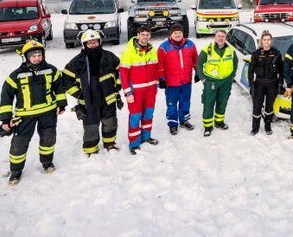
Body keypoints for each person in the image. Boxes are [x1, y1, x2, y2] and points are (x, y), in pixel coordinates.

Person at [0, 40, 65, 185]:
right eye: (33, 55)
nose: (36, 58)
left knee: (48, 138)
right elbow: (6, 97)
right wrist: (5, 119)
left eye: (39, 54)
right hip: (24, 116)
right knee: (19, 143)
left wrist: (61, 104)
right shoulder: (15, 75)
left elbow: (60, 88)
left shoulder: (52, 70)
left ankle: (47, 163)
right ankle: (16, 171)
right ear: (26, 57)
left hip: (48, 112)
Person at [62, 30, 122, 155]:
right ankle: (91, 150)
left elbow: (120, 71)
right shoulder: (77, 61)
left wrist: (117, 85)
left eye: (95, 42)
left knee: (110, 122)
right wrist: (79, 94)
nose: (93, 45)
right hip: (89, 100)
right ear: (85, 44)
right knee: (91, 125)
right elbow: (66, 78)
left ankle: (110, 143)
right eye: (90, 43)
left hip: (108, 97)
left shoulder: (109, 57)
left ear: (100, 42)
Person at [120, 25, 160, 154]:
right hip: (135, 92)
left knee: (148, 115)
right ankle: (134, 143)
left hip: (150, 91)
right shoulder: (129, 52)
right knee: (135, 117)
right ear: (137, 35)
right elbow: (123, 73)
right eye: (142, 34)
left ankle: (146, 137)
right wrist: (127, 92)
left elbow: (155, 69)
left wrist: (156, 85)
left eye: (147, 35)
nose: (145, 37)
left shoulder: (152, 50)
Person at [157, 23, 199, 135]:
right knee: (172, 103)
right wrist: (161, 79)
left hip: (186, 80)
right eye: (175, 33)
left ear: (183, 33)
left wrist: (197, 72)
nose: (177, 35)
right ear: (171, 34)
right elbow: (160, 65)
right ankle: (173, 124)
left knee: (185, 102)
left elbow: (196, 60)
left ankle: (184, 120)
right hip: (171, 82)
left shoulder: (190, 45)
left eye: (179, 32)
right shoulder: (164, 47)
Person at [196, 29, 239, 136]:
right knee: (209, 103)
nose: (220, 38)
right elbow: (199, 64)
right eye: (218, 36)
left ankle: (219, 122)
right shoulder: (207, 49)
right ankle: (208, 126)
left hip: (225, 82)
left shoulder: (231, 50)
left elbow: (235, 63)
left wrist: (231, 77)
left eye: (223, 36)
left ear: (226, 38)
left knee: (222, 102)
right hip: (211, 81)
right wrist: (203, 79)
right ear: (215, 37)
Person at [248, 30, 284, 135]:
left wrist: (280, 83)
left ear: (271, 41)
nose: (267, 42)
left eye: (268, 40)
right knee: (257, 106)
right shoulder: (256, 54)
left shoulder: (276, 53)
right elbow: (250, 70)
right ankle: (255, 128)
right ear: (261, 41)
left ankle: (268, 126)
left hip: (273, 83)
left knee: (269, 107)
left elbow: (281, 70)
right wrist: (252, 85)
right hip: (259, 83)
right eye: (265, 40)